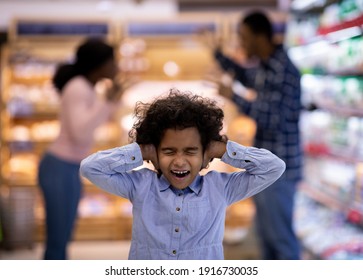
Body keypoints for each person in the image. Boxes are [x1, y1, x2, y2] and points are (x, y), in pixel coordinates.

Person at [80, 90, 286, 260]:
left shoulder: (221, 188)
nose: (179, 161)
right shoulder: (140, 185)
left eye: (190, 151)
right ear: (155, 153)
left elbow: (273, 167)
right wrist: (142, 152)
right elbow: (91, 168)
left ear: (206, 155)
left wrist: (221, 149)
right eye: (168, 151)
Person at [207, 10, 303, 259]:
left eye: (244, 37)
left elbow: (274, 117)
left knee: (280, 238)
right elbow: (248, 77)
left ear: (260, 37)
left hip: (280, 168)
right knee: (268, 237)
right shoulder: (268, 65)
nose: (241, 43)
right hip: (269, 165)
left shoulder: (282, 69)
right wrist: (219, 56)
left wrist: (233, 96)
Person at [37, 38, 124, 260]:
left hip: (68, 166)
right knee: (58, 240)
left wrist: (112, 100)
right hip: (60, 166)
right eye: (112, 61)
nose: (117, 67)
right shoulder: (78, 88)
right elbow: (81, 134)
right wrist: (109, 102)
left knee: (63, 237)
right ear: (99, 64)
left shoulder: (87, 87)